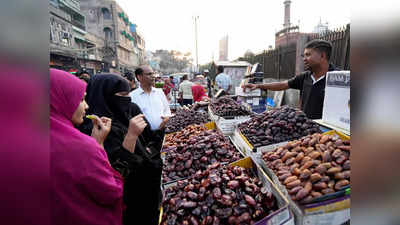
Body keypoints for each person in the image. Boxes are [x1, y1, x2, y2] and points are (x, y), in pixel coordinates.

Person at [79, 74, 163, 225]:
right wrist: (131, 135)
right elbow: (116, 173)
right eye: (122, 95)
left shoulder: (122, 116)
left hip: (145, 193)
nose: (128, 99)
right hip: (128, 203)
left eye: (129, 94)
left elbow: (144, 147)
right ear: (104, 96)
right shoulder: (95, 128)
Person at [50, 69, 124, 225]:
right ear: (60, 99)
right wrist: (98, 146)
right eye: (81, 99)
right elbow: (111, 192)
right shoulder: (80, 147)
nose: (86, 105)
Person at [243, 39, 337, 119]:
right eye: (303, 56)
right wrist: (258, 86)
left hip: (328, 132)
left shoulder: (339, 79)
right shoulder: (305, 77)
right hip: (307, 128)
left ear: (322, 56)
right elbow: (283, 85)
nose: (304, 59)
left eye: (308, 55)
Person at [130, 66, 172, 132]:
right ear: (139, 77)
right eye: (149, 74)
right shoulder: (132, 96)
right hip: (143, 136)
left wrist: (166, 118)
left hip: (161, 133)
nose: (153, 76)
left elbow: (167, 110)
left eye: (153, 73)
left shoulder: (159, 92)